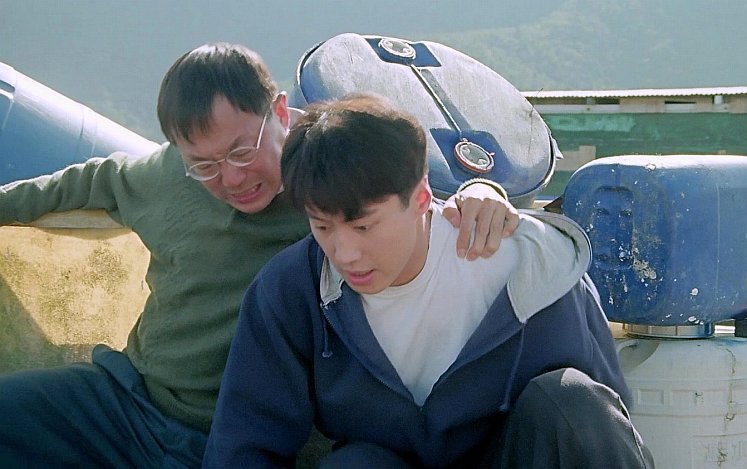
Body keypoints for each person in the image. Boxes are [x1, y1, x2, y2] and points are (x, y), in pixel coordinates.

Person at [0, 44, 518, 467]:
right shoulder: (166, 175)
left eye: (242, 151)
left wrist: (483, 192)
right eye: (204, 165)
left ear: (281, 113)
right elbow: (90, 180)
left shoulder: (329, 185)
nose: (231, 178)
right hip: (127, 400)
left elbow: (410, 196)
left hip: (238, 436)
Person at [203, 94, 654, 468]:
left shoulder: (531, 267)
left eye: (363, 226)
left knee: (570, 402)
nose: (344, 253)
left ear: (421, 197)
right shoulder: (290, 289)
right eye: (322, 226)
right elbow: (243, 444)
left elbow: (604, 426)